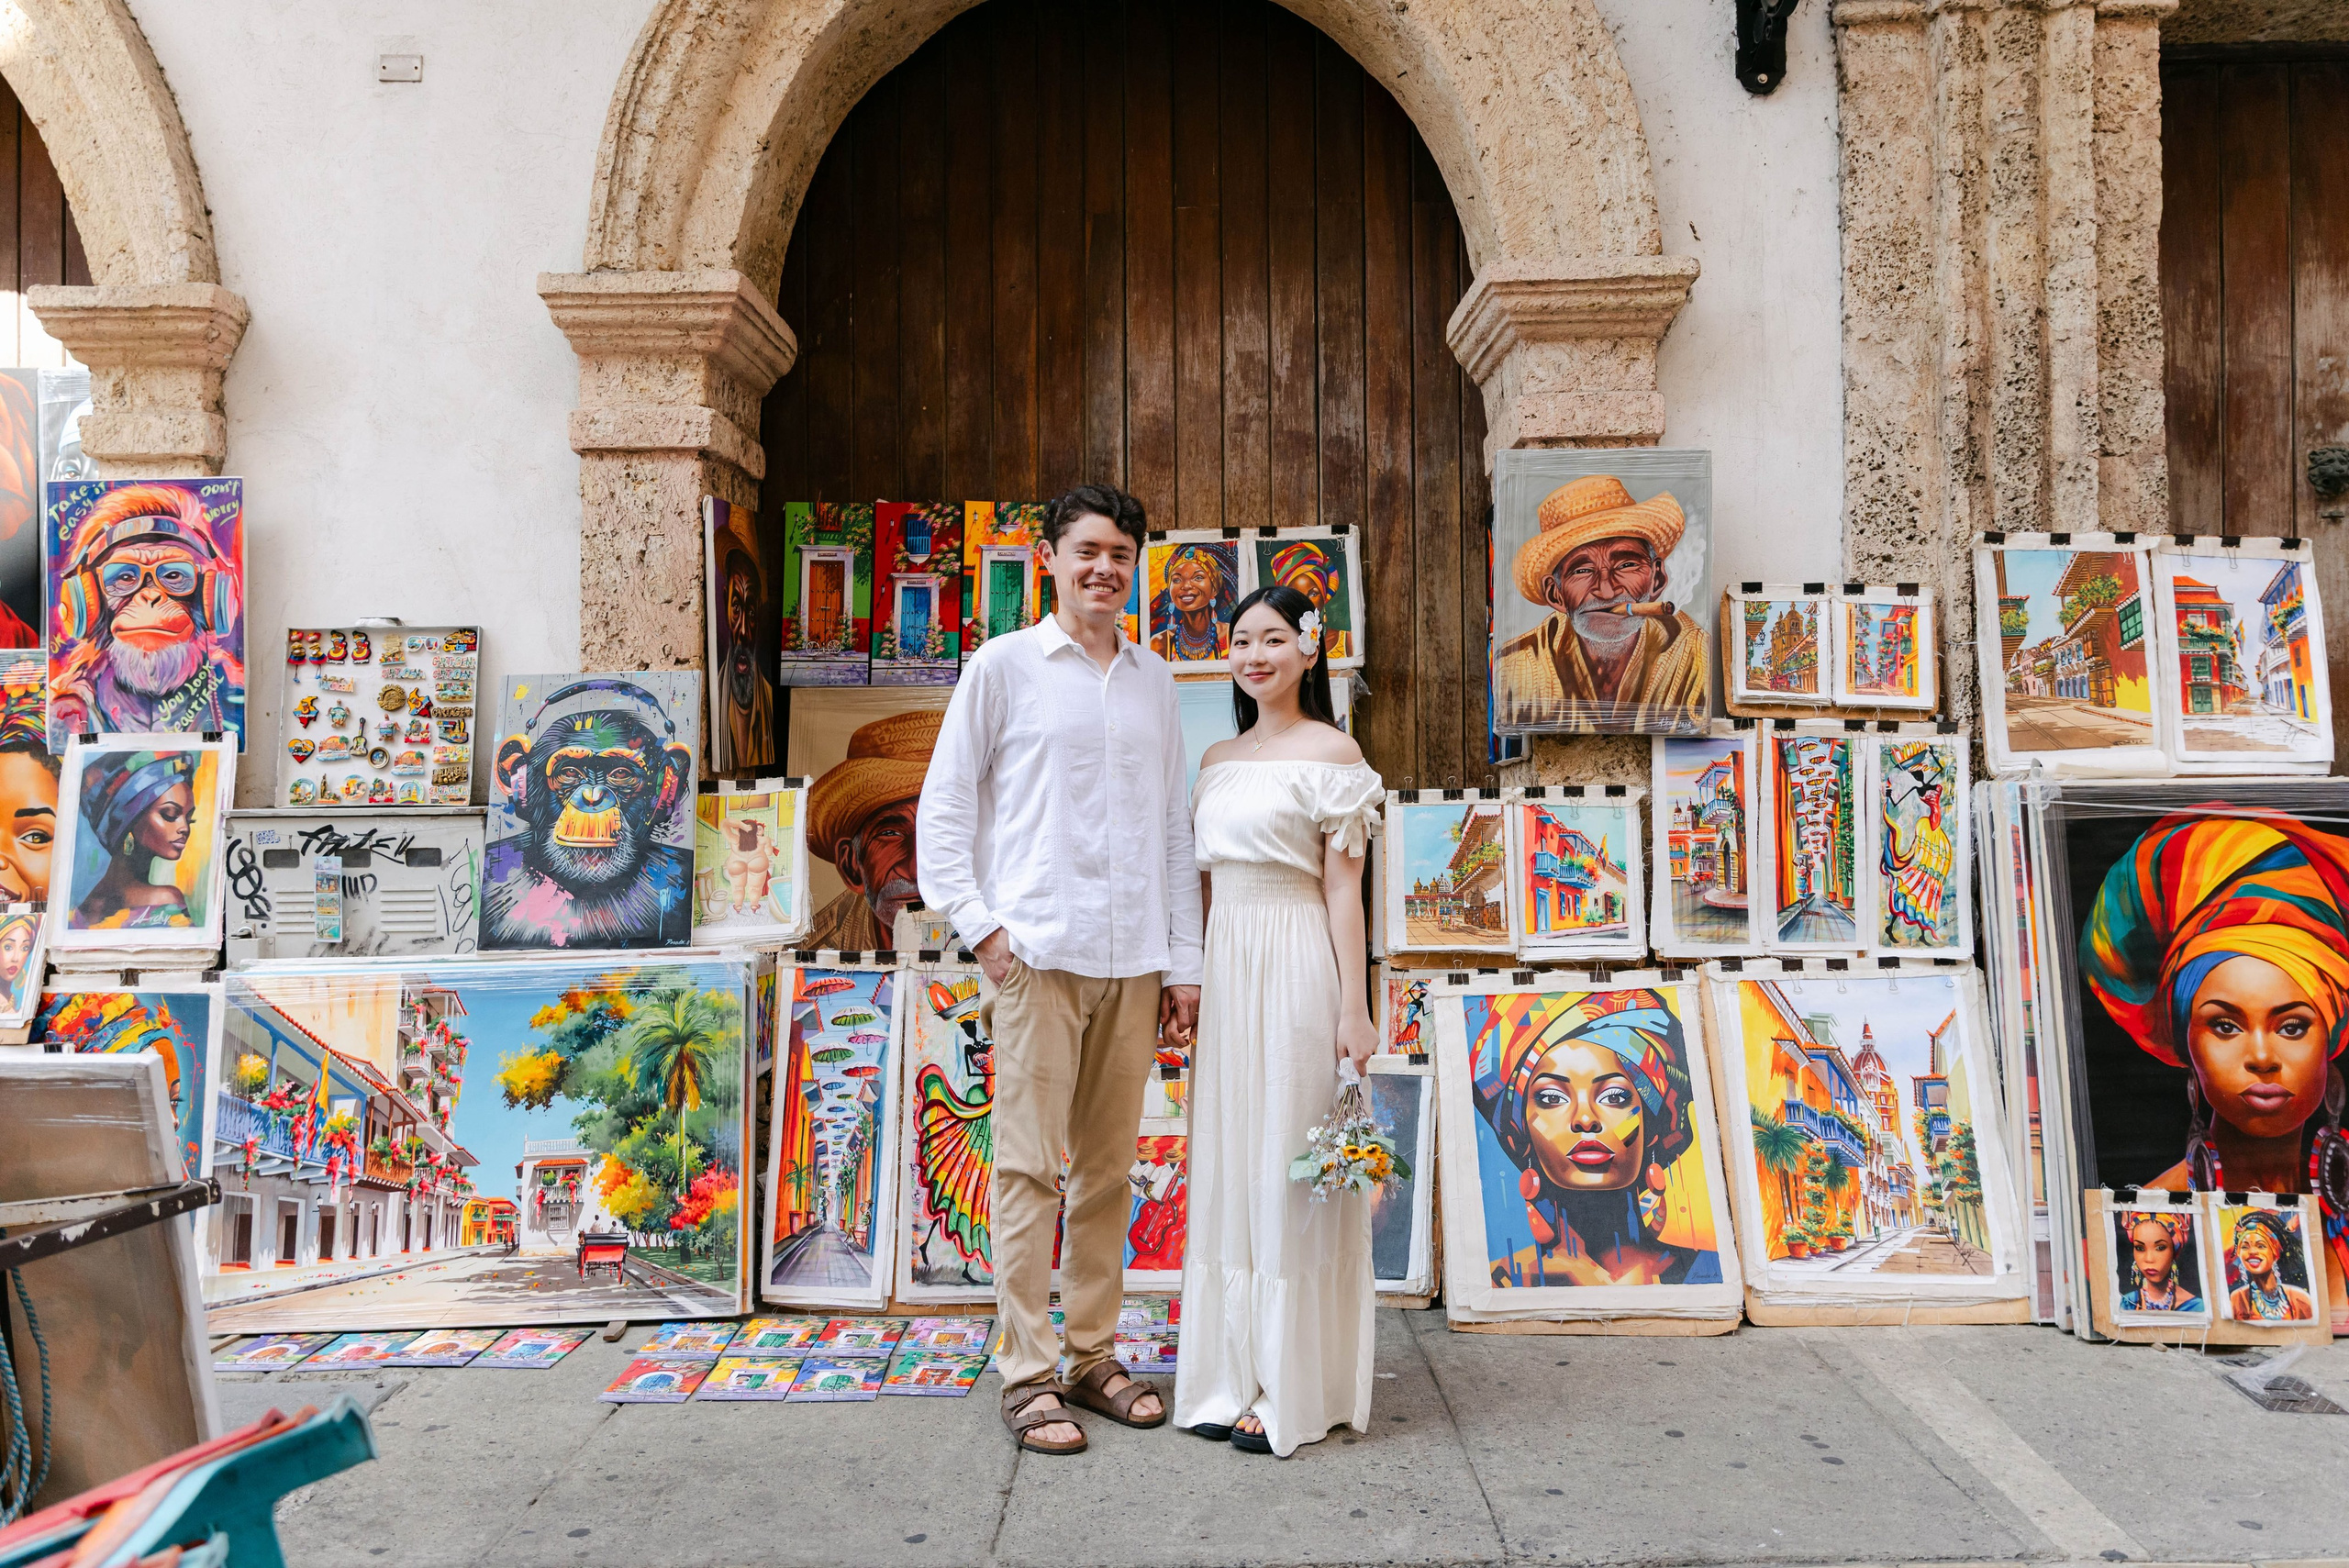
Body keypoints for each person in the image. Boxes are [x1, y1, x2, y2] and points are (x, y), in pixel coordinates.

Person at [918, 483, 1202, 1457]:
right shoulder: (1003, 667)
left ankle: (1092, 1353)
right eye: (1086, 549)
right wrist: (984, 931)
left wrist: (1183, 964)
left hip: (1133, 959)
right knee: (1028, 1168)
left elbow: (1172, 827)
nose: (1103, 568)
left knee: (1111, 1170)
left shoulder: (1156, 681)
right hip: (1037, 953)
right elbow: (946, 808)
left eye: (1120, 552)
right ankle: (1027, 1372)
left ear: (1135, 565)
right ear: (1050, 558)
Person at [1174, 583, 1383, 1458]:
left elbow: (1344, 889)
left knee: (1286, 1164)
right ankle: (1227, 1377)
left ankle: (1289, 1385)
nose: (1253, 655)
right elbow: (1204, 884)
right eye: (1239, 641)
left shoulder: (1334, 752)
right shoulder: (1215, 757)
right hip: (1228, 964)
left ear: (1308, 648)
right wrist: (1188, 979)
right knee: (1228, 1155)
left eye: (1270, 638)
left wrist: (1355, 1003)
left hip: (1297, 955)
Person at [2079, 807, 2349, 1319]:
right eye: (2225, 1026)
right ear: (2187, 1047)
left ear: (2331, 1037)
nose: (2263, 1058)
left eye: (2292, 1026)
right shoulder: (2149, 1221)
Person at [1470, 986, 1720, 1287]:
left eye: (1614, 1096)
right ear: (1521, 1135)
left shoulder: (1711, 1277)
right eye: (1551, 1098)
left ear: (1651, 1129)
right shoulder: (1499, 1284)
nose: (1585, 1119)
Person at [1493, 473, 1706, 732]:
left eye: (1626, 565)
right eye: (1582, 571)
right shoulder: (1518, 667)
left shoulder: (1694, 654)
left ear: (1657, 580)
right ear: (1555, 594)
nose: (1606, 591)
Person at [807, 711, 941, 951]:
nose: (914, 869)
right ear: (851, 866)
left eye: (939, 831)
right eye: (890, 834)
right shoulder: (817, 960)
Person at [72, 749, 197, 929]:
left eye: (189, 818)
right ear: (128, 822)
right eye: (169, 814)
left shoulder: (83, 908)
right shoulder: (165, 899)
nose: (184, 828)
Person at [1149, 542, 1233, 663]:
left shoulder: (1232, 636)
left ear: (1214, 589)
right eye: (1177, 579)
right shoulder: (1160, 643)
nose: (1186, 586)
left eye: (1198, 577)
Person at [2226, 1208, 2316, 1321]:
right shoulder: (2238, 1299)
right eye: (2245, 1247)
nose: (2252, 1252)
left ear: (2276, 1253)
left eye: (2261, 1246)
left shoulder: (2300, 1299)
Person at [2116, 1210, 2201, 1313]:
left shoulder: (2197, 1308)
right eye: (2140, 1248)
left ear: (2174, 1251)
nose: (2149, 1259)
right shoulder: (2126, 1304)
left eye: (2160, 1248)